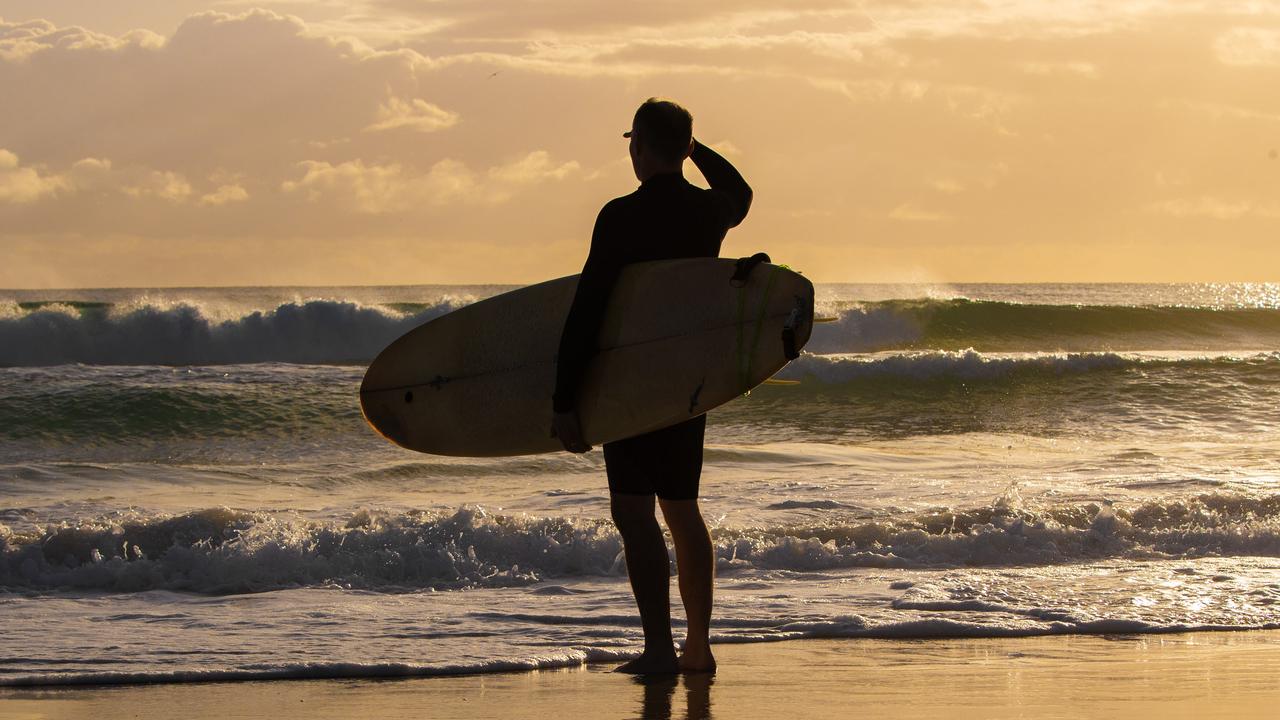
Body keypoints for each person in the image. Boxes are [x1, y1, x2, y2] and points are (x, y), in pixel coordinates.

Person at [550, 98, 752, 674]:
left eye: (633, 144)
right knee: (683, 510)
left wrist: (565, 400)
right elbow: (741, 193)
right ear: (684, 149)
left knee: (634, 513)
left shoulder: (619, 216)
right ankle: (699, 646)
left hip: (629, 384)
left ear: (639, 148)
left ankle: (658, 648)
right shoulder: (708, 211)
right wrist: (696, 149)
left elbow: (588, 308)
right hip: (688, 385)